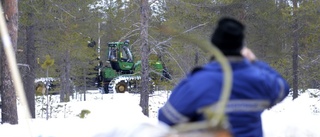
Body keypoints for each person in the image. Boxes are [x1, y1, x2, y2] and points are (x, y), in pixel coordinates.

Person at [158, 17, 290, 137]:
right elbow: (282, 88)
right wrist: (254, 62)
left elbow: (166, 119)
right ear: (241, 47)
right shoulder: (260, 80)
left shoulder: (197, 82)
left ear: (214, 46)